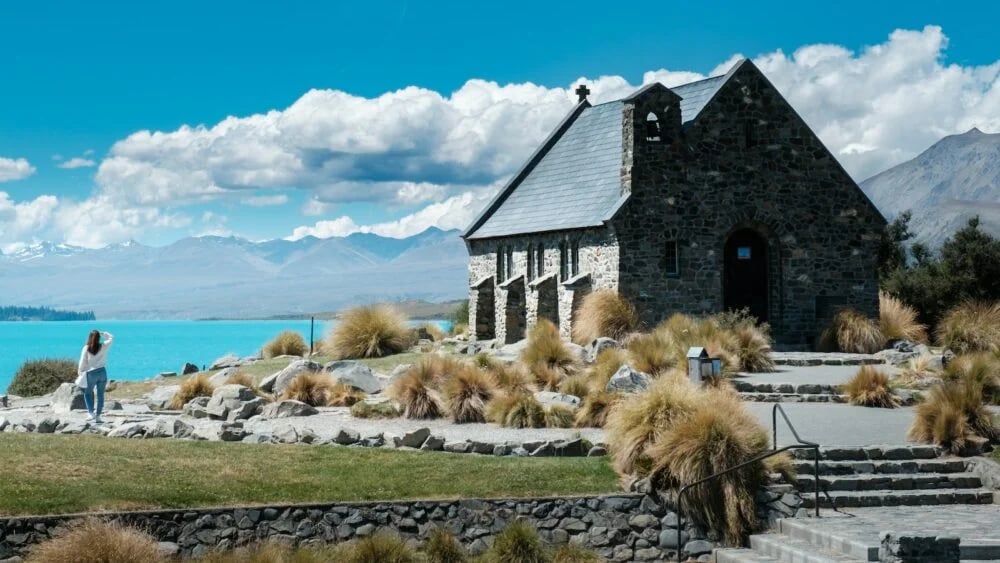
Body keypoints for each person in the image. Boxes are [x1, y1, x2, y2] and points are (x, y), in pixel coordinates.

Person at [77, 330, 113, 423]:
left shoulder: (86, 348)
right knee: (100, 395)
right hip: (102, 372)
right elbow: (111, 338)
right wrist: (103, 333)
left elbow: (82, 361)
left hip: (91, 373)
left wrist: (80, 372)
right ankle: (98, 416)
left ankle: (91, 413)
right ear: (99, 338)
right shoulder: (103, 346)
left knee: (88, 393)